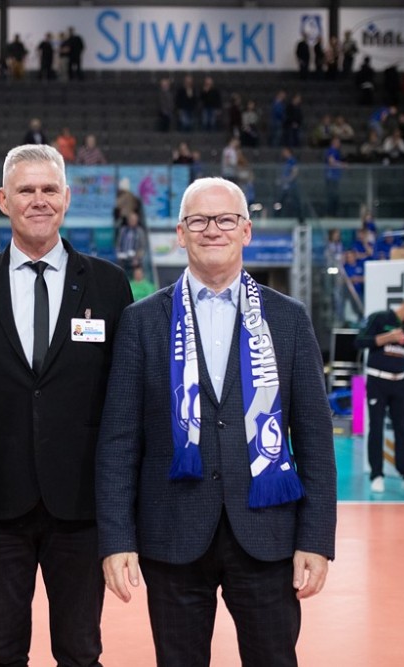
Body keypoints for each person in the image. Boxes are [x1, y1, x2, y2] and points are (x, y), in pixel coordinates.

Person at [96, 177, 336, 667]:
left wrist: (316, 539)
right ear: (180, 233)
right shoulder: (142, 321)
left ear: (246, 230)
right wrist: (117, 539)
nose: (212, 230)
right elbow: (119, 440)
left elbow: (315, 438)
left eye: (225, 219)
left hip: (267, 536)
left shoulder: (288, 319)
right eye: (199, 220)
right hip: (172, 536)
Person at [0, 144, 133, 667]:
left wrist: (122, 505)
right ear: (4, 200)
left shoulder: (109, 285)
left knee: (81, 652)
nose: (38, 200)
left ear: (66, 198)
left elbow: (125, 402)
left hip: (82, 505)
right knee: (2, 652)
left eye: (49, 189)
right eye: (26, 190)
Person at [355, 292, 404, 493]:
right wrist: (387, 338)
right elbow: (360, 341)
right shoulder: (379, 317)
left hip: (400, 383)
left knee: (402, 430)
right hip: (377, 381)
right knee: (376, 428)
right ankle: (377, 475)